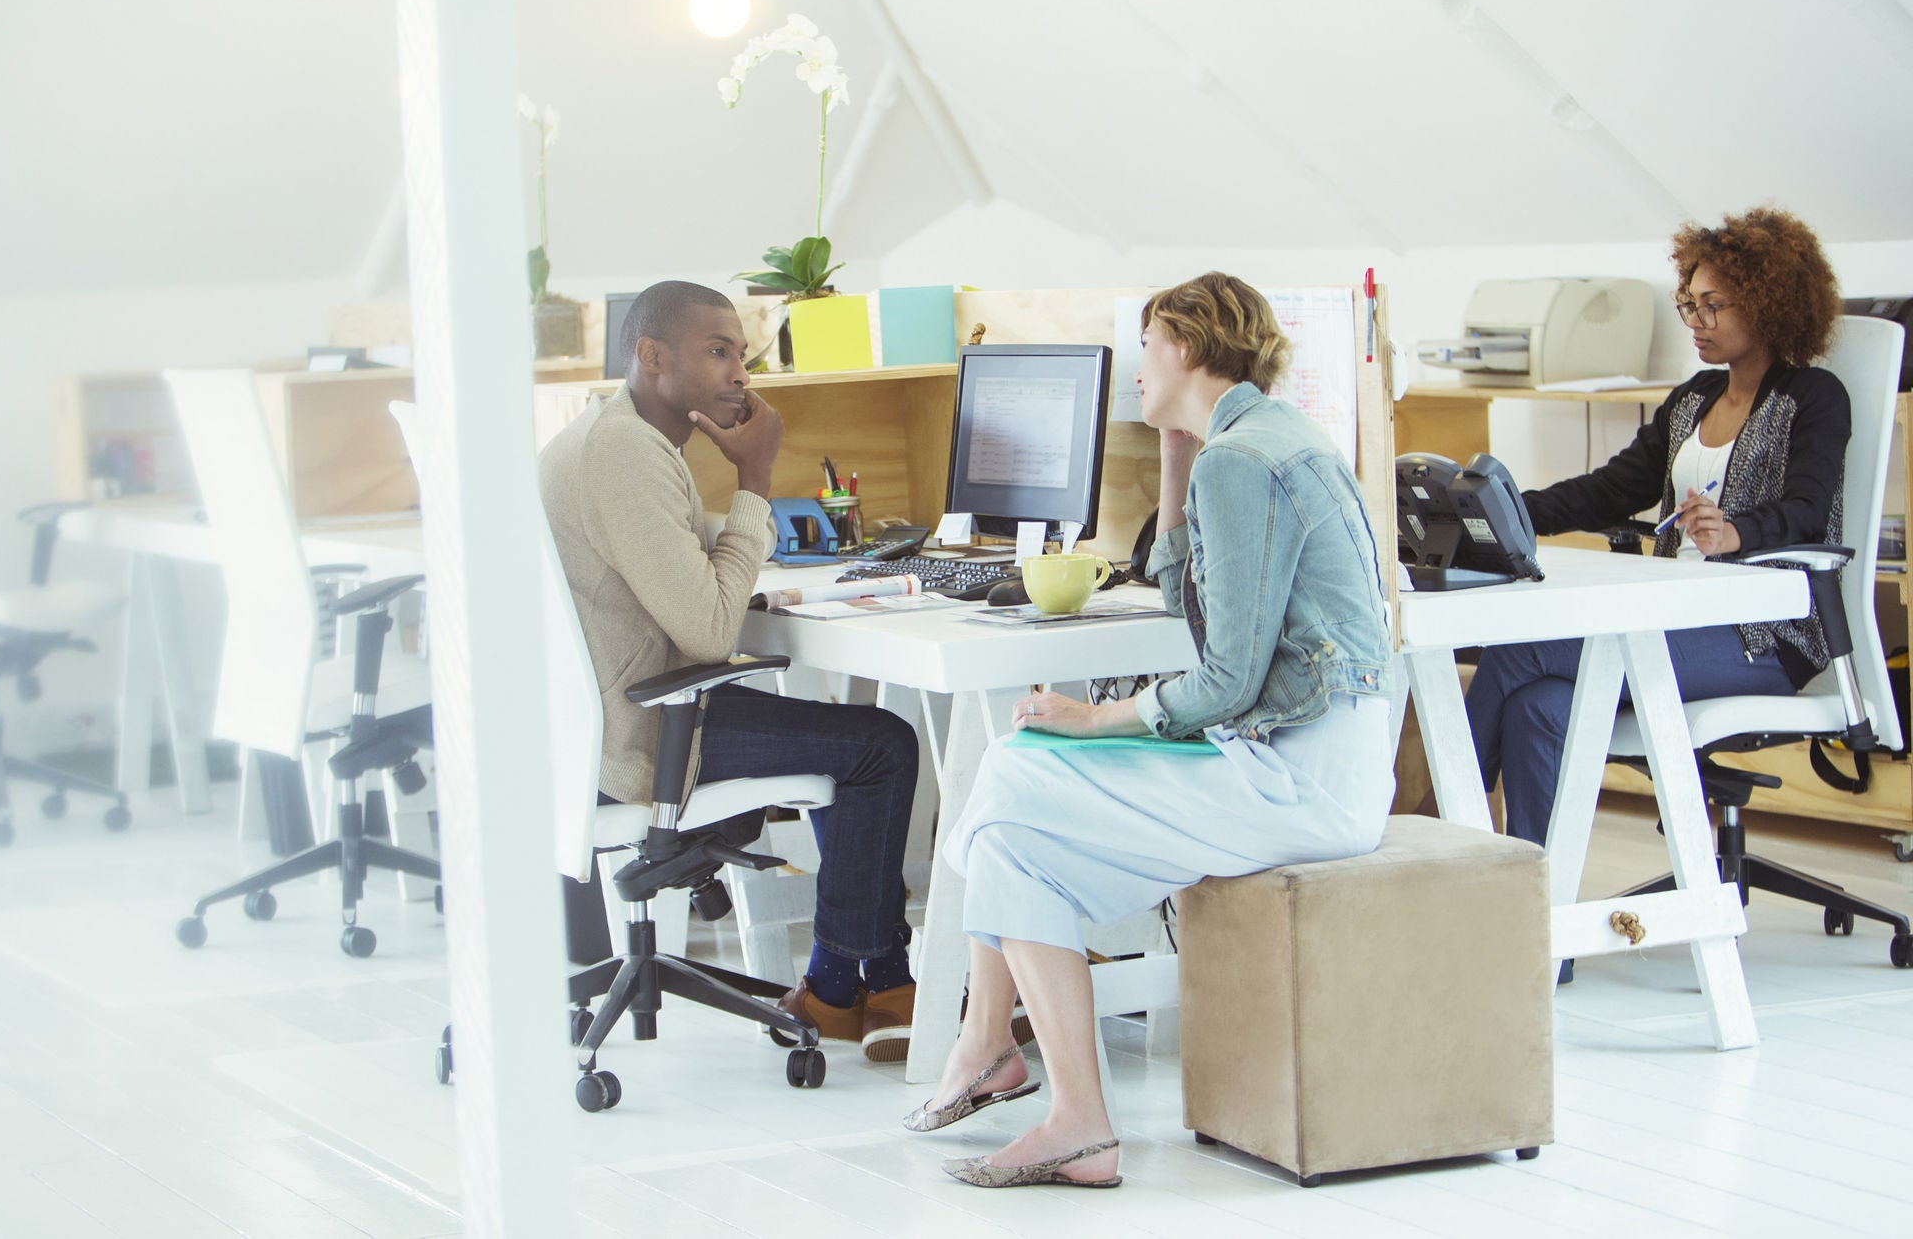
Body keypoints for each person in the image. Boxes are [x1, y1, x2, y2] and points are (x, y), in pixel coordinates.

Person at [906, 272, 1396, 1189]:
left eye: (1151, 342)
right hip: (1285, 756)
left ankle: (984, 1043)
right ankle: (1076, 1121)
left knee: (1015, 767)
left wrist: (1093, 718)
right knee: (1012, 842)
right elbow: (1195, 603)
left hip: (1304, 775)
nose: (1137, 363)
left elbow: (1225, 677)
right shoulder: (1242, 444)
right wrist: (1176, 455)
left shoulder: (1246, 460)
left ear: (1194, 345)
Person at [538, 280, 923, 1060]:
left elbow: (668, 546)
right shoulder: (623, 452)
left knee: (854, 737)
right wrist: (755, 479)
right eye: (717, 352)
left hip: (599, 723)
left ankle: (878, 981)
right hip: (645, 734)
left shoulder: (616, 436)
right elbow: (712, 632)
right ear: (651, 355)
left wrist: (738, 536)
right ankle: (847, 982)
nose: (739, 374)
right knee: (881, 744)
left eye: (741, 356)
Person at [1465, 206, 1848, 846]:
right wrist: (1504, 510)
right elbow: (1612, 489)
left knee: (1517, 649)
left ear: (1768, 303)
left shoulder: (1813, 398)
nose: (1697, 322)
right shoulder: (1694, 396)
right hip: (1671, 615)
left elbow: (1811, 509)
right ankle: (1535, 921)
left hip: (1762, 636)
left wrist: (1735, 533)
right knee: (1540, 708)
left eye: (1714, 306)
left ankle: (1431, 827)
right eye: (1689, 305)